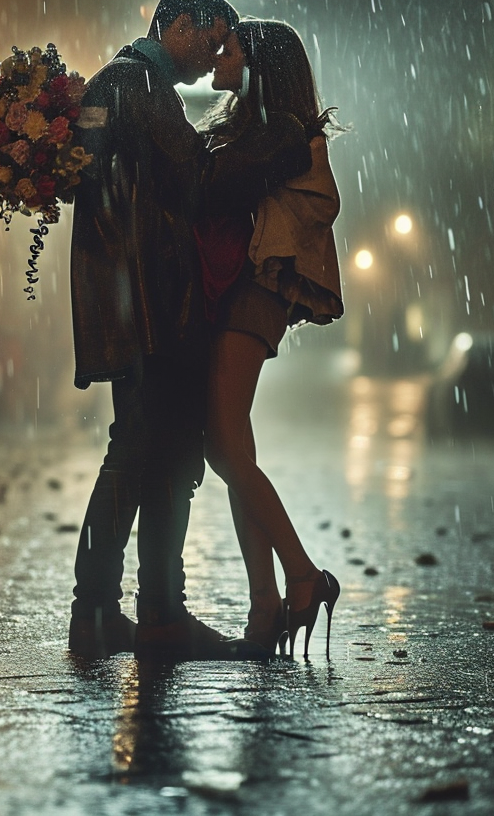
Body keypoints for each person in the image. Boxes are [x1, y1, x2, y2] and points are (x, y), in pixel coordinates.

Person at [65, 0, 307, 661]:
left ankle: (152, 612)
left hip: (145, 298)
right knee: (141, 449)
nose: (214, 55)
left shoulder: (128, 83)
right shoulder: (137, 83)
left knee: (165, 454)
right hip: (148, 301)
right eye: (214, 38)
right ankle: (104, 610)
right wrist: (275, 145)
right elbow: (197, 181)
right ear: (180, 23)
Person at [195, 19, 344, 657]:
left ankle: (303, 575)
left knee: (224, 444)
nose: (216, 55)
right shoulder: (252, 128)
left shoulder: (282, 137)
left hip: (254, 291)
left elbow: (230, 193)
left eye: (228, 48)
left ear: (259, 63)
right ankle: (264, 605)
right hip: (241, 290)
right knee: (231, 445)